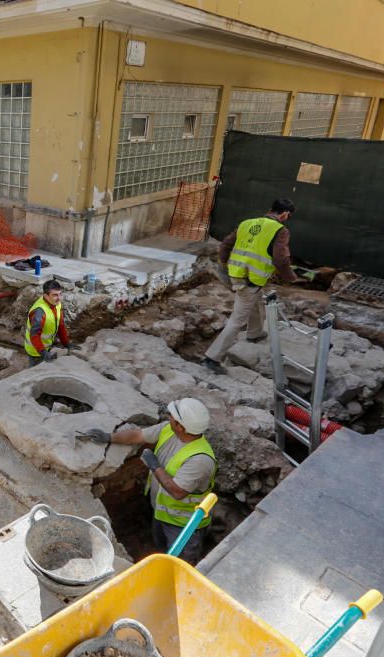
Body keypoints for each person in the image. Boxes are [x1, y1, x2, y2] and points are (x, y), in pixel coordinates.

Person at [76, 398, 216, 563]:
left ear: (180, 426)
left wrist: (154, 465)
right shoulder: (168, 429)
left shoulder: (200, 460)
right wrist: (108, 437)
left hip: (184, 525)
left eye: (172, 415)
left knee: (180, 562)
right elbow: (138, 435)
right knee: (162, 547)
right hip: (160, 511)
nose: (168, 415)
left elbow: (177, 491)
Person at [202, 198, 300, 375]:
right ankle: (212, 358)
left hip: (238, 274)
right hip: (251, 279)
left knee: (256, 300)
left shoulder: (247, 223)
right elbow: (280, 258)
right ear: (285, 214)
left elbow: (226, 244)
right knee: (237, 320)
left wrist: (223, 263)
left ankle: (255, 333)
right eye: (289, 216)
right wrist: (290, 277)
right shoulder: (281, 230)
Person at [24, 279, 76, 366]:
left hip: (47, 346)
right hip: (36, 351)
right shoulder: (39, 312)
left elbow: (61, 324)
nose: (59, 298)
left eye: (60, 294)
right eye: (55, 295)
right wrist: (43, 353)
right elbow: (34, 336)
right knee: (35, 374)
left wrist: (66, 343)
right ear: (46, 295)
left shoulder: (56, 303)